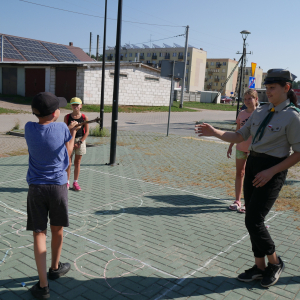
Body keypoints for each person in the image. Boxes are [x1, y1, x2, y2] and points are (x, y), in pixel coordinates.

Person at [195, 69, 300, 287]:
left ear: (286, 88)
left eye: (272, 88)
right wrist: (215, 132)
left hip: (272, 169)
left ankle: (275, 262)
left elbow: (298, 153)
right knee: (250, 220)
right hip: (253, 164)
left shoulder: (292, 116)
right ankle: (259, 266)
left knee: (254, 220)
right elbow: (240, 135)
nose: (267, 92)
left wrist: (272, 171)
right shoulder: (260, 111)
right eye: (267, 88)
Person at [25, 92, 78, 299]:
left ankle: (43, 285)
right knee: (57, 229)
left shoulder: (29, 128)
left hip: (36, 187)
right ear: (56, 113)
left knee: (39, 232)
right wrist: (72, 133)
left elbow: (43, 130)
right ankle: (55, 268)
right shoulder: (62, 128)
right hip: (58, 187)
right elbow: (69, 151)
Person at [227, 89, 259, 213]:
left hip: (254, 150)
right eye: (245, 99)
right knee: (239, 173)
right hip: (240, 148)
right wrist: (231, 145)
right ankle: (237, 201)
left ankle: (248, 203)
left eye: (249, 98)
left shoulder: (260, 114)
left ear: (256, 99)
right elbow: (237, 131)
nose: (247, 101)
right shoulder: (241, 113)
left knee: (251, 176)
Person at [64, 97, 89, 191]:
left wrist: (80, 142)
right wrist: (71, 128)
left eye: (77, 104)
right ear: (71, 105)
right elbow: (65, 130)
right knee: (68, 163)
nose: (75, 106)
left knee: (77, 162)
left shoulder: (84, 117)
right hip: (69, 140)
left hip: (80, 141)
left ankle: (75, 182)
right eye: (73, 104)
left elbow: (86, 132)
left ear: (81, 106)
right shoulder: (67, 117)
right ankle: (67, 182)